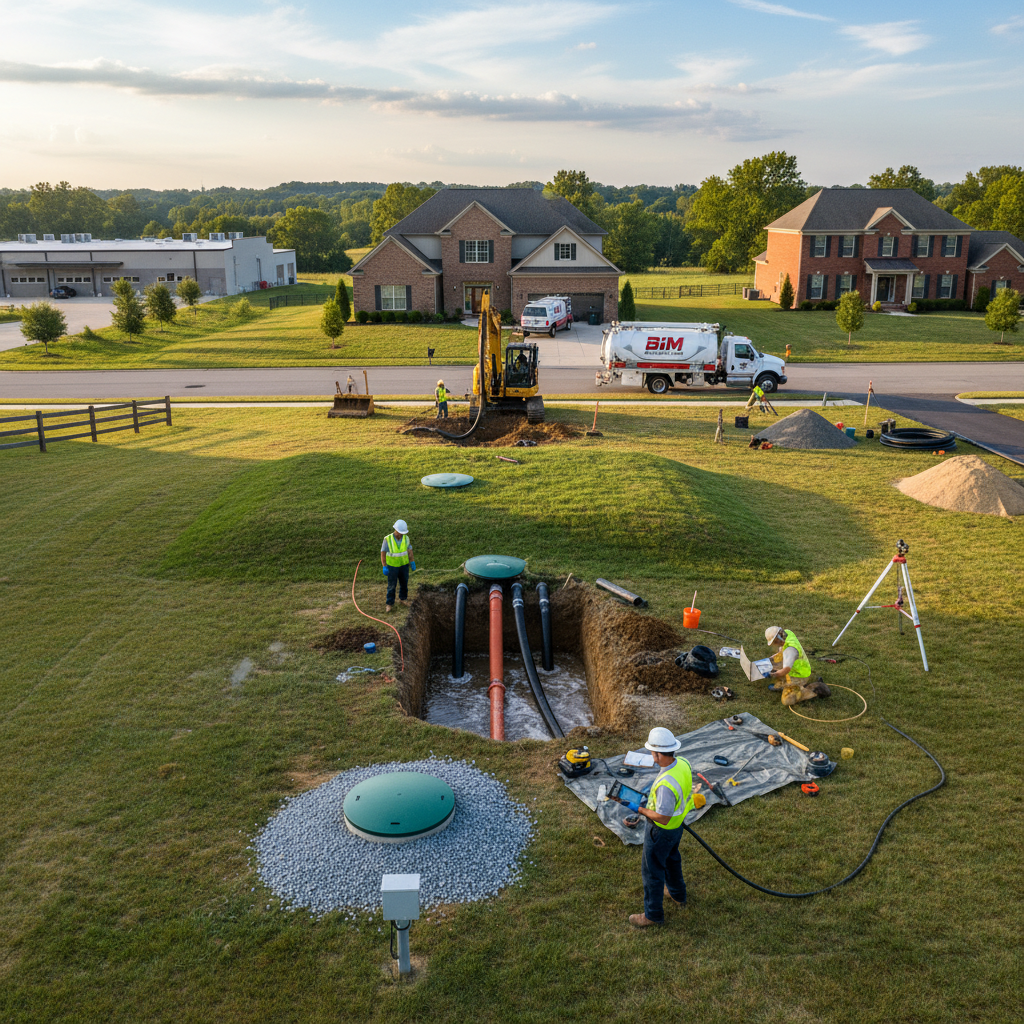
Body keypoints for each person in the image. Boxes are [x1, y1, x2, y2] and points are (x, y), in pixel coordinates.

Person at [619, 726, 694, 928]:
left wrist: (640, 810)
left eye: (653, 752)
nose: (652, 756)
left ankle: (652, 915)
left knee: (652, 871)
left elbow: (662, 817)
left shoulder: (665, 785)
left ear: (659, 754)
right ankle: (677, 894)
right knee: (671, 859)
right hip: (677, 827)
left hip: (661, 831)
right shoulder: (683, 763)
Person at [764, 626, 829, 705]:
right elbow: (781, 653)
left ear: (779, 637)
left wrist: (774, 674)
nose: (775, 644)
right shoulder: (787, 633)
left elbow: (786, 669)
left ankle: (814, 689)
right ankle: (785, 683)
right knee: (771, 663)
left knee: (787, 700)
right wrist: (768, 661)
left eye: (775, 642)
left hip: (799, 674)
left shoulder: (790, 650)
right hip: (796, 665)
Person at [381, 519, 414, 612]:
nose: (402, 534)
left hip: (404, 565)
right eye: (400, 532)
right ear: (396, 530)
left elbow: (409, 550)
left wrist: (412, 561)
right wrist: (384, 565)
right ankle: (389, 603)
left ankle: (403, 599)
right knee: (392, 585)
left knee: (404, 583)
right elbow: (383, 553)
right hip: (392, 566)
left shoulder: (406, 538)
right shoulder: (387, 539)